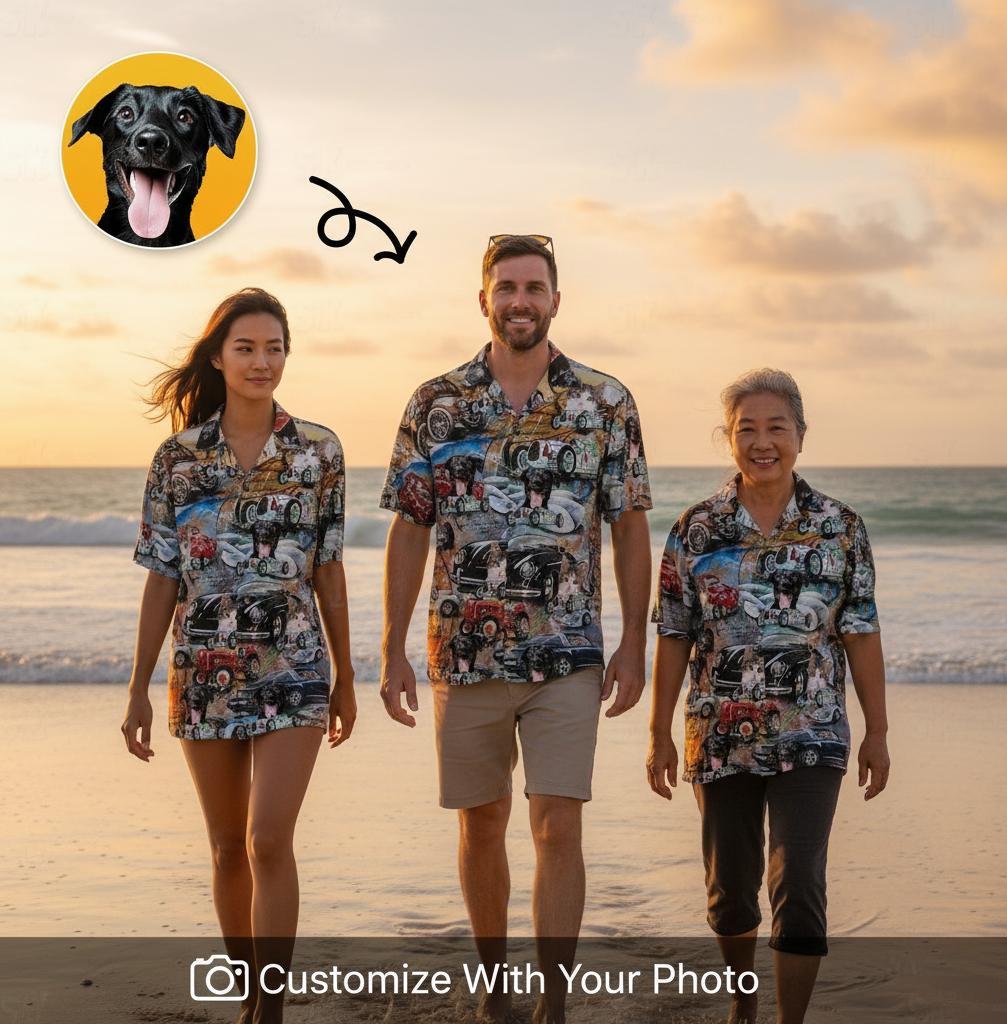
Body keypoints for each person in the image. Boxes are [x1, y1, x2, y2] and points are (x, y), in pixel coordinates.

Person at [379, 234, 652, 1023]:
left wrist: (634, 641)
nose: (520, 300)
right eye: (507, 287)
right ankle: (496, 989)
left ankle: (554, 1003)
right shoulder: (435, 403)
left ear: (556, 300)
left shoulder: (603, 403)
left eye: (534, 287)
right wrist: (393, 644)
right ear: (485, 300)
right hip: (462, 651)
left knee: (557, 820)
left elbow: (630, 528)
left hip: (567, 650)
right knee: (481, 824)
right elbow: (409, 529)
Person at [121, 287, 356, 1024]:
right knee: (226, 847)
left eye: (275, 347)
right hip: (202, 670)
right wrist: (136, 688)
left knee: (267, 837)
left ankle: (272, 1010)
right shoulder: (178, 460)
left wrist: (346, 676)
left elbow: (328, 570)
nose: (263, 361)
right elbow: (163, 578)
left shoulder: (318, 451)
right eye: (247, 348)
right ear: (219, 357)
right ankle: (250, 996)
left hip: (293, 669)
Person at [647, 367, 890, 1024]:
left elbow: (861, 631)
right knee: (729, 894)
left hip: (812, 732)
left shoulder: (840, 528)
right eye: (746, 428)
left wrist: (878, 731)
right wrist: (657, 732)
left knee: (800, 882)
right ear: (728, 438)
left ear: (800, 436)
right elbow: (673, 635)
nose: (762, 442)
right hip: (718, 733)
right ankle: (744, 997)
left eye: (775, 428)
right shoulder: (695, 530)